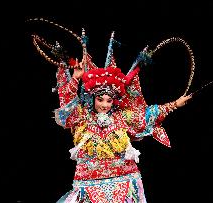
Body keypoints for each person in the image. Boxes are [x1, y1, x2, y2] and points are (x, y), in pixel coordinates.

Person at [29, 20, 193, 202]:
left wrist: (174, 104)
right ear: (93, 98)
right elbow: (67, 105)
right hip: (88, 181)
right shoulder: (82, 116)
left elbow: (147, 115)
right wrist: (76, 79)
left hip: (124, 179)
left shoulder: (121, 116)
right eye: (100, 99)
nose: (105, 105)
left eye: (108, 100)